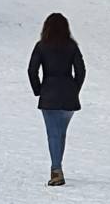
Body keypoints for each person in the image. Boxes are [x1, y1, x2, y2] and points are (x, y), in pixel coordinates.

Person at [28, 12, 86, 186]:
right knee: (60, 133)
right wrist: (75, 88)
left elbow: (32, 71)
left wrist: (38, 90)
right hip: (68, 94)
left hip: (49, 94)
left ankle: (56, 170)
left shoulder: (41, 46)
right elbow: (81, 71)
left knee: (53, 134)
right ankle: (57, 167)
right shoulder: (72, 46)